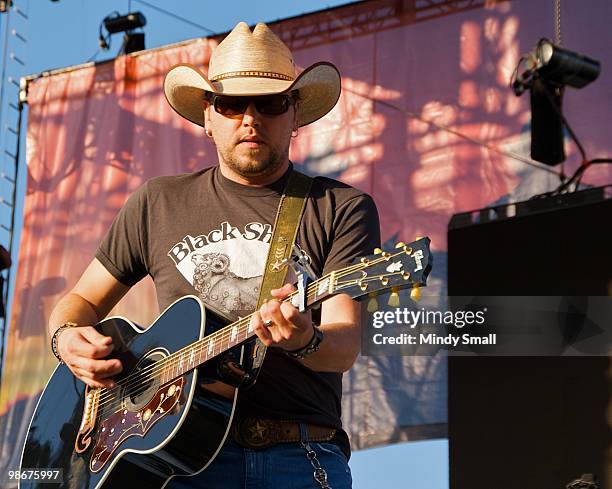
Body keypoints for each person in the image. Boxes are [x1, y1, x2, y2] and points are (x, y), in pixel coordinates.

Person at [48, 21, 380, 488]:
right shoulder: (157, 202)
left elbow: (343, 343)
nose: (250, 118)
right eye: (230, 104)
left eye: (269, 103)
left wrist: (305, 339)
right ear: (208, 116)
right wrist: (66, 340)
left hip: (299, 454)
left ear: (295, 115)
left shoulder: (341, 207)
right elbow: (78, 303)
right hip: (176, 463)